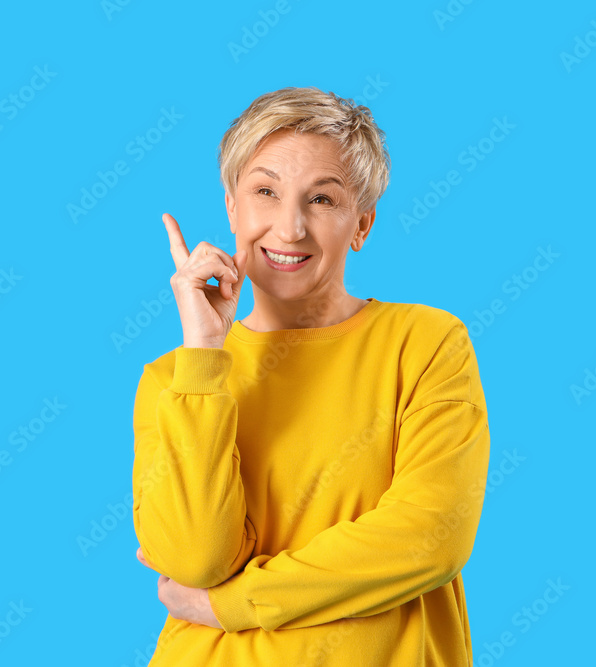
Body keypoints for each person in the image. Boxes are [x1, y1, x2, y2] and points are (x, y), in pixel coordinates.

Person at [131, 86, 490, 666]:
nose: (289, 227)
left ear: (362, 223)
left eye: (321, 199)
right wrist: (204, 354)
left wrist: (237, 603)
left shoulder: (424, 344)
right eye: (265, 192)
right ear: (232, 208)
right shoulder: (176, 378)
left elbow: (430, 536)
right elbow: (198, 559)